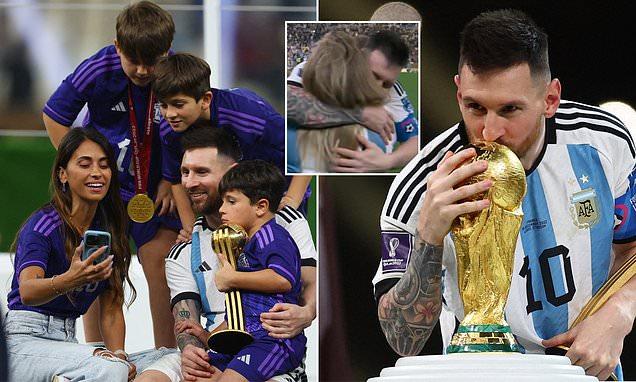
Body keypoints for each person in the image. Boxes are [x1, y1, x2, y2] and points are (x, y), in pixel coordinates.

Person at [373, 9, 635, 381]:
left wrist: (619, 312)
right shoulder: (419, 187)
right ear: (458, 91)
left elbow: (632, 247)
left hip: (584, 374)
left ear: (550, 99)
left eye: (509, 109)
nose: (489, 131)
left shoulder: (605, 144)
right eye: (475, 107)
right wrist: (429, 236)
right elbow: (403, 339)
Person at [42, 1, 182, 348]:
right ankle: (97, 353)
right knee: (98, 265)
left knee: (159, 263)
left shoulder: (175, 71)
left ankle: (167, 354)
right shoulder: (98, 69)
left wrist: (169, 180)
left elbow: (188, 131)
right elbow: (54, 115)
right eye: (132, 60)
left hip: (157, 189)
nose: (143, 70)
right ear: (118, 47)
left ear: (166, 51)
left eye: (152, 62)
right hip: (107, 188)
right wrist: (84, 169)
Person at [137, 127, 316, 382]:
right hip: (221, 344)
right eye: (185, 172)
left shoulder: (281, 223)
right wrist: (193, 345)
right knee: (150, 379)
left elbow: (305, 281)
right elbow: (191, 315)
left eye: (201, 172)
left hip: (273, 347)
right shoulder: (184, 249)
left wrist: (308, 312)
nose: (190, 182)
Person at [4, 127, 173, 381]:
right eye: (85, 164)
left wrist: (119, 354)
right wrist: (72, 278)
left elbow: (112, 307)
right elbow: (27, 291)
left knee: (172, 356)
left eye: (104, 165)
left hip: (69, 344)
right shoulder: (43, 226)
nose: (97, 172)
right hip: (25, 341)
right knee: (108, 368)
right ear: (63, 174)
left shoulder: (108, 230)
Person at [152, 53, 312, 215]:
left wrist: (291, 199)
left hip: (281, 184)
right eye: (163, 105)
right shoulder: (169, 129)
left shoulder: (246, 113)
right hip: (235, 192)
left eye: (178, 104)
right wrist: (190, 229)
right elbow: (175, 180)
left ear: (206, 100)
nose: (170, 114)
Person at [287, 29, 419, 173]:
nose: (379, 87)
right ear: (358, 59)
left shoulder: (394, 92)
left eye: (387, 83)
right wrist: (358, 113)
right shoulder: (318, 68)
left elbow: (415, 139)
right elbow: (289, 104)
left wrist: (389, 161)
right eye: (374, 75)